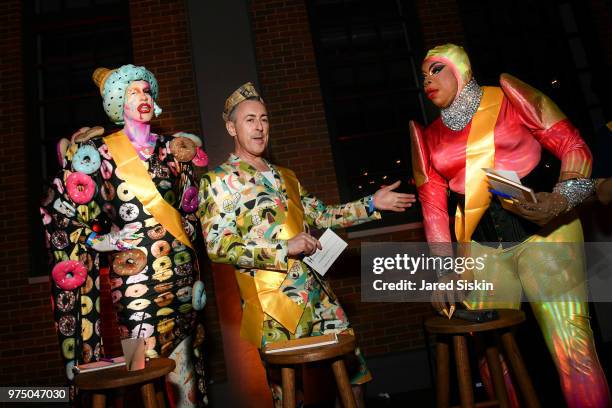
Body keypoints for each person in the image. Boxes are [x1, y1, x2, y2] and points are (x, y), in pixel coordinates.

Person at [410, 44, 611, 407]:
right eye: (424, 73)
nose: (427, 78)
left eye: (436, 69)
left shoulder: (507, 96)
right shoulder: (428, 137)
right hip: (482, 248)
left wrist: (563, 197)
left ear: (461, 70)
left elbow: (573, 146)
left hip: (546, 235)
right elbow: (434, 210)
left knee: (573, 350)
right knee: (490, 361)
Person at [198, 82, 415, 406]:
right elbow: (218, 247)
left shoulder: (286, 175)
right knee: (289, 394)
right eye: (249, 120)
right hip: (274, 306)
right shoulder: (217, 182)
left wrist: (372, 204)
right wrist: (284, 249)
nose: (259, 127)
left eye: (264, 119)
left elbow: (324, 215)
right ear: (231, 127)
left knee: (354, 376)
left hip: (318, 295)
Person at [41, 64, 208, 406]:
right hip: (132, 287)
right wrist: (104, 242)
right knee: (140, 373)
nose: (142, 97)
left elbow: (194, 212)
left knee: (185, 369)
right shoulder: (99, 154)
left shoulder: (173, 150)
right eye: (132, 92)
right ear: (118, 101)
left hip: (179, 279)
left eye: (146, 90)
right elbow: (61, 212)